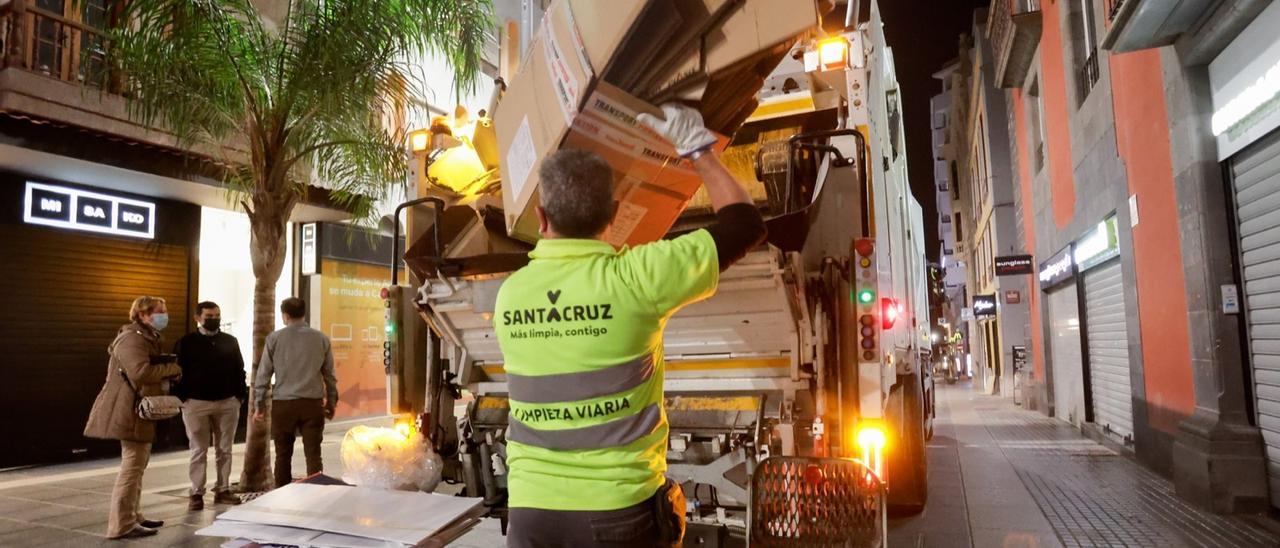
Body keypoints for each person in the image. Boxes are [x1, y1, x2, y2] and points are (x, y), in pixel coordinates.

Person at [494, 103, 767, 548]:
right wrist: (699, 151)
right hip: (617, 513)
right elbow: (745, 225)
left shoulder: (511, 296)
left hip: (531, 512)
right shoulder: (639, 278)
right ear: (616, 214)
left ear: (542, 218)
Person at [84, 296, 183, 539]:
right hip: (128, 409)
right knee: (132, 466)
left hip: (137, 408)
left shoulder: (146, 337)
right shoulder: (131, 338)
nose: (164, 316)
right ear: (141, 314)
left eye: (164, 310)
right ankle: (121, 525)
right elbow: (140, 372)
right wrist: (174, 369)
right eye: (158, 312)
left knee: (138, 465)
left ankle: (133, 515)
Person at [252, 297, 338, 488]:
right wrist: (331, 402)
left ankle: (282, 495)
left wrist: (259, 405)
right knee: (314, 454)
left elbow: (263, 374)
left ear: (285, 315)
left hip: (284, 405)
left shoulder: (274, 339)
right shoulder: (321, 338)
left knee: (282, 454)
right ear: (303, 314)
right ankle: (317, 493)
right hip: (312, 404)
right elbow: (330, 375)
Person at [173, 301, 247, 510]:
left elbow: (238, 369)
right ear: (198, 317)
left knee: (225, 449)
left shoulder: (230, 341)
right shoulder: (186, 342)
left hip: (227, 402)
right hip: (196, 403)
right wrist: (183, 397)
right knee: (198, 449)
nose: (214, 319)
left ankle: (222, 489)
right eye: (209, 316)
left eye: (217, 315)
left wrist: (239, 395)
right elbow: (176, 371)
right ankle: (196, 493)